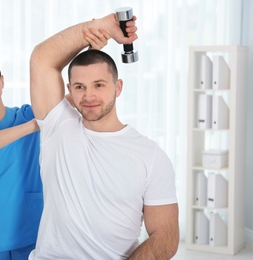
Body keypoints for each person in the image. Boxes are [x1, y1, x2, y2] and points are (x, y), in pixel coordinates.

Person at [29, 12, 179, 260]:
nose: (88, 96)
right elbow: (42, 58)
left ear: (117, 88)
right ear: (70, 90)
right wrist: (102, 27)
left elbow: (165, 235)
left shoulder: (151, 156)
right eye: (80, 87)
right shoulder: (58, 126)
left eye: (99, 85)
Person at [0, 29, 110, 260]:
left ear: (2, 80)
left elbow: (70, 98)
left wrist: (92, 51)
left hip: (29, 226)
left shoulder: (27, 113)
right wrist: (37, 124)